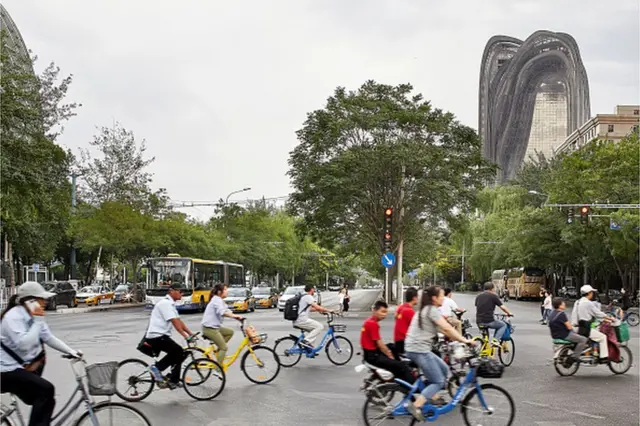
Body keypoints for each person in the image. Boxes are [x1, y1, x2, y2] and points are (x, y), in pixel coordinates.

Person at [1, 281, 81, 426]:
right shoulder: (13, 317)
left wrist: (71, 351)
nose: (45, 302)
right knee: (46, 390)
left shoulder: (34, 315)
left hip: (17, 369)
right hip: (5, 371)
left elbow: (48, 337)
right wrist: (37, 321)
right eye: (41, 299)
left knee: (46, 397)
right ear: (29, 300)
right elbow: (24, 345)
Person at [404, 286, 475, 422]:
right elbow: (447, 327)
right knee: (438, 381)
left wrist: (458, 340)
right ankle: (416, 405)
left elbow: (446, 331)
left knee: (444, 368)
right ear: (434, 298)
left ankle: (429, 396)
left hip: (419, 348)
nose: (445, 298)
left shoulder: (428, 309)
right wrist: (465, 340)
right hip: (418, 350)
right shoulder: (431, 310)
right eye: (442, 296)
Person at [143, 283, 196, 388]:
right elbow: (174, 322)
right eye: (180, 291)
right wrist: (185, 336)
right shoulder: (165, 304)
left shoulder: (171, 304)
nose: (182, 294)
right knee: (178, 351)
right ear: (172, 291)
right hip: (156, 336)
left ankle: (174, 379)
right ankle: (156, 368)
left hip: (162, 336)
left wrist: (190, 333)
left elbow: (179, 321)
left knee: (179, 353)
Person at [360, 300, 414, 384]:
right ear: (375, 310)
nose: (384, 314)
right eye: (382, 311)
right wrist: (389, 355)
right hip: (373, 356)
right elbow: (380, 344)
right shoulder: (372, 324)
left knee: (392, 346)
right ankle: (411, 385)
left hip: (370, 353)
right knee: (401, 366)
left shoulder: (369, 321)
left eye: (386, 312)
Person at [201, 283, 244, 366]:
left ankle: (219, 351)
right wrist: (236, 316)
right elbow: (222, 312)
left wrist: (238, 317)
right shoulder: (216, 300)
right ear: (219, 292)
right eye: (225, 290)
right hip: (209, 328)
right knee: (224, 348)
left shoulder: (220, 300)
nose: (226, 292)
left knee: (230, 332)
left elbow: (227, 311)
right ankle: (217, 369)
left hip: (215, 327)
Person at [571, 285, 614, 361]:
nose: (592, 294)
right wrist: (610, 318)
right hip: (584, 328)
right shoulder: (588, 303)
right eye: (592, 292)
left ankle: (592, 352)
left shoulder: (577, 302)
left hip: (575, 327)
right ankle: (603, 357)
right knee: (602, 337)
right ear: (589, 293)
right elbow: (598, 313)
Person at [294, 284, 334, 349]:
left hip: (297, 319)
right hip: (301, 320)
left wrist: (322, 311)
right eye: (314, 290)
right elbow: (316, 306)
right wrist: (329, 310)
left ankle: (310, 349)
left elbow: (311, 309)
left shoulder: (303, 296)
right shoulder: (308, 297)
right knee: (320, 326)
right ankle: (305, 341)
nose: (314, 291)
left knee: (314, 331)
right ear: (312, 289)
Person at [548, 297, 587, 363]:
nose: (564, 304)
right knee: (583, 339)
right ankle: (576, 356)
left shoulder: (551, 313)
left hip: (555, 335)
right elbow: (569, 327)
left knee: (576, 336)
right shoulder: (561, 314)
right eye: (563, 303)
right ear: (560, 305)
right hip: (564, 335)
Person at [475, 282, 514, 347]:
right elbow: (502, 307)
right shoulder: (493, 296)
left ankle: (484, 352)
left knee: (485, 338)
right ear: (492, 289)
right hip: (488, 321)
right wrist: (509, 313)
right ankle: (495, 340)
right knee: (503, 325)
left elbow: (478, 306)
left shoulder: (478, 296)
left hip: (479, 321)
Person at [393, 287, 418, 356]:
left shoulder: (401, 307)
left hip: (398, 340)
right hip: (404, 342)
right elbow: (417, 327)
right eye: (417, 297)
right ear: (414, 298)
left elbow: (396, 317)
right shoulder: (410, 311)